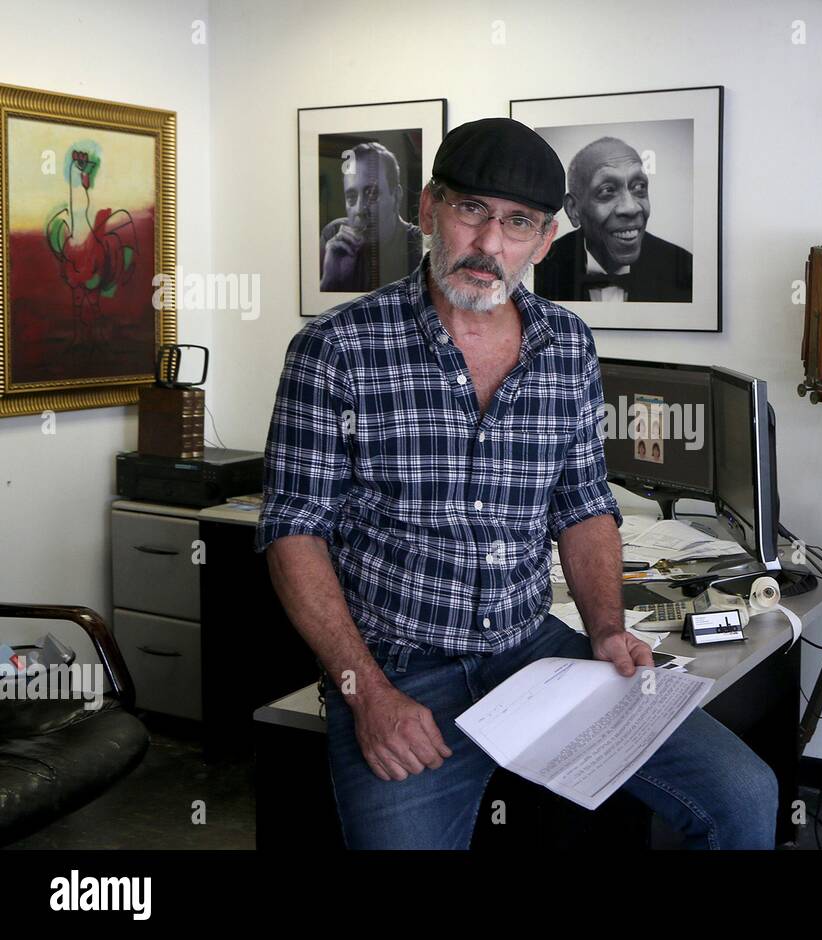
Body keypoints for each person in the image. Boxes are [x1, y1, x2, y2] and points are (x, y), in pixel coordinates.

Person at [258, 117, 777, 850]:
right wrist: (366, 695)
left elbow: (584, 503)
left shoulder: (566, 344)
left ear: (546, 236)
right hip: (398, 670)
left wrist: (604, 628)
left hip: (530, 651)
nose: (489, 245)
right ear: (431, 207)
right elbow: (293, 531)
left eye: (518, 223)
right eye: (472, 211)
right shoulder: (336, 350)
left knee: (743, 794)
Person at [532, 137, 692, 303]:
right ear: (573, 210)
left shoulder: (681, 267)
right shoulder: (541, 270)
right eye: (607, 190)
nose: (631, 208)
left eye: (639, 187)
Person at [320, 141, 425, 292]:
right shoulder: (333, 235)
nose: (359, 210)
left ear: (396, 197)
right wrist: (331, 280)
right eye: (351, 197)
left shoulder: (420, 245)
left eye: (372, 194)